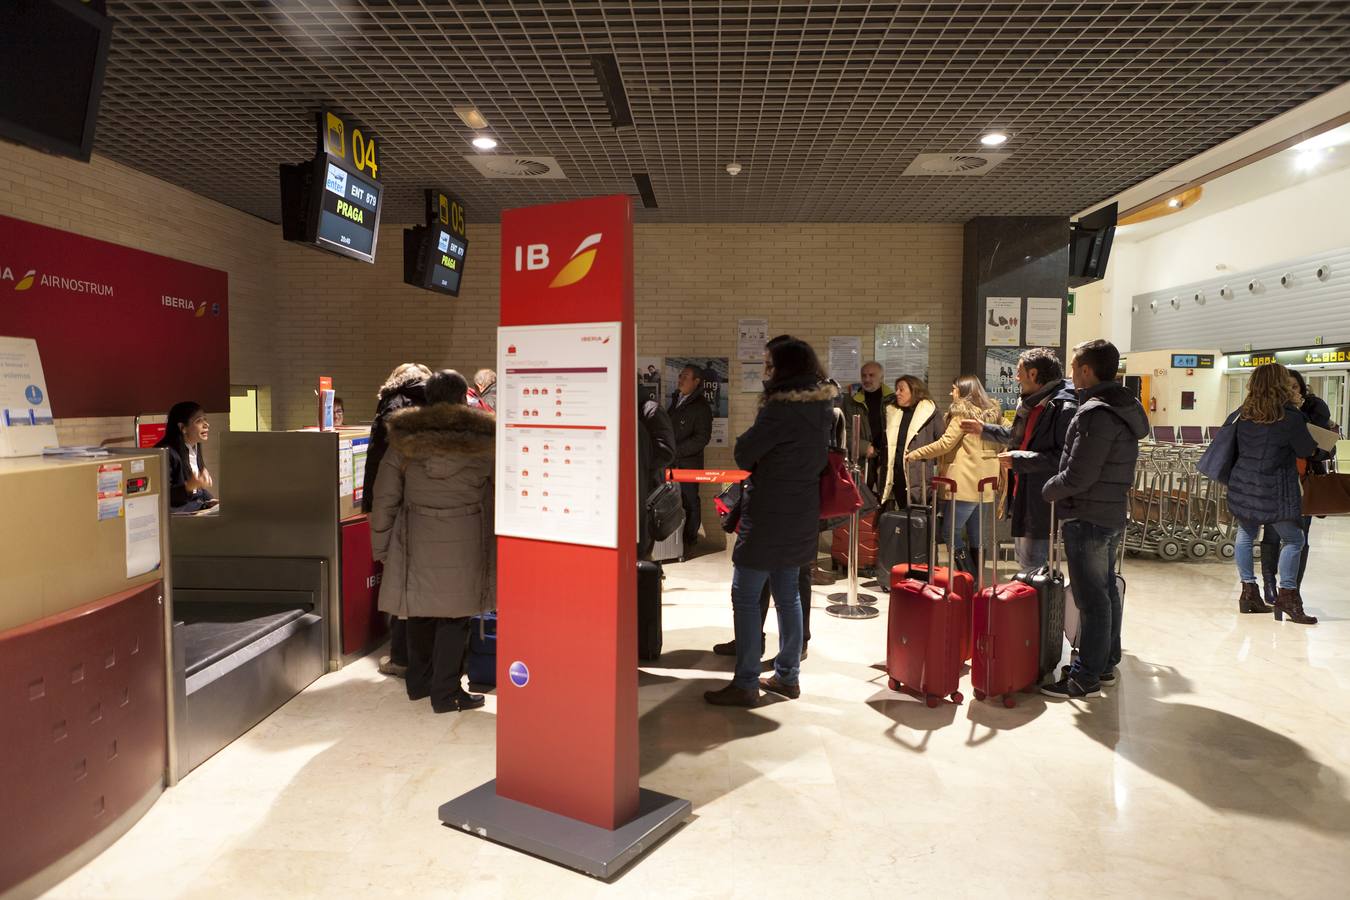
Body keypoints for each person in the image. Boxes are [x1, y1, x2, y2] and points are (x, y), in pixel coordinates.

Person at [705, 338, 834, 707]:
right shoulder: (823, 406)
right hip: (802, 512)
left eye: (770, 364)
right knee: (789, 594)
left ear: (785, 369)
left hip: (768, 513)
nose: (766, 370)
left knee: (745, 596)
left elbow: (745, 452)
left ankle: (746, 682)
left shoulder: (780, 410)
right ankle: (787, 677)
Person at [369, 369, 495, 713]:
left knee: (419, 613)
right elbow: (497, 494)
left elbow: (385, 498)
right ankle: (447, 692)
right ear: (462, 397)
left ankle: (419, 685)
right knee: (455, 618)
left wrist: (380, 546)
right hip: (466, 539)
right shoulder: (484, 440)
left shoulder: (405, 440)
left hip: (415, 538)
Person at [1039, 340, 1148, 699]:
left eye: (1074, 368)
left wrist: (1050, 489)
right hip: (1110, 511)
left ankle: (1085, 676)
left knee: (1092, 598)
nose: (1071, 374)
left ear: (1087, 370)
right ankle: (1104, 663)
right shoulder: (1125, 406)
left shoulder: (1095, 414)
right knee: (1106, 592)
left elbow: (1079, 474)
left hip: (1087, 514)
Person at [962, 347, 1077, 571]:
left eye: (1019, 372)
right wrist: (984, 429)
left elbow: (1065, 458)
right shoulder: (1033, 403)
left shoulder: (1063, 407)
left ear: (1033, 374)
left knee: (1033, 567)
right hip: (1024, 494)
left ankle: (1038, 606)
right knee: (1025, 563)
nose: (1016, 378)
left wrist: (1020, 460)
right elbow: (1020, 438)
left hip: (1042, 499)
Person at [1226, 363, 1318, 624]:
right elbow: (1305, 449)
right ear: (1279, 384)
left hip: (1244, 484)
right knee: (1294, 540)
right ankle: (1287, 596)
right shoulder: (1289, 416)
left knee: (1246, 534)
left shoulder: (1243, 414)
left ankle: (1249, 591)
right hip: (1276, 489)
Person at [364, 363, 432, 678]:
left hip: (401, 503)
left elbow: (381, 460)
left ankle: (402, 657)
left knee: (401, 580)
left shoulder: (392, 404)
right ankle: (430, 656)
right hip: (432, 501)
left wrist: (372, 505)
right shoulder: (437, 402)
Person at [904, 375, 1002, 573]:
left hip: (964, 484)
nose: (951, 393)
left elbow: (944, 444)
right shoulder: (993, 415)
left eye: (954, 389)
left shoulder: (962, 415)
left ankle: (969, 575)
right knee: (976, 535)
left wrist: (914, 453)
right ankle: (977, 581)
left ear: (964, 391)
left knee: (949, 532)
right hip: (986, 484)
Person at [1259, 369, 1332, 600]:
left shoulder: (1314, 407)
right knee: (1272, 534)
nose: (1291, 391)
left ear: (1301, 387)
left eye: (1294, 387)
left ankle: (1292, 590)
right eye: (1285, 387)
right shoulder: (1269, 409)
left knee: (1301, 537)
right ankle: (1269, 585)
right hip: (1275, 481)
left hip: (1304, 480)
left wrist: (1299, 414)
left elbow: (1323, 446)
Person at [879, 375, 944, 509]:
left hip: (920, 477)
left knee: (918, 521)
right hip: (896, 476)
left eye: (901, 389)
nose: (897, 393)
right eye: (896, 389)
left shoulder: (930, 413)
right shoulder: (892, 412)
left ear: (914, 390)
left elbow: (941, 443)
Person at [669, 364, 713, 549]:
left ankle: (689, 540)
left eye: (685, 377)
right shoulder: (677, 399)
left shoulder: (701, 407)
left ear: (696, 382)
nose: (680, 379)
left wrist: (676, 451)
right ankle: (675, 542)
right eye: (680, 375)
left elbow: (702, 438)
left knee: (690, 501)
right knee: (673, 501)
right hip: (671, 463)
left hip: (688, 464)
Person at [155, 401, 216, 512]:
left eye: (205, 419)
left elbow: (198, 491)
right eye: (199, 421)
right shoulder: (165, 453)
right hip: (177, 518)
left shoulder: (194, 446)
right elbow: (161, 496)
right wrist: (188, 486)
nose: (206, 425)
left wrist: (211, 501)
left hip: (194, 511)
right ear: (182, 427)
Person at [842, 361, 892, 495]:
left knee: (886, 500)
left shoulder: (892, 399)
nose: (867, 379)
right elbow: (845, 431)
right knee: (862, 499)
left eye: (871, 375)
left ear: (881, 378)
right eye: (864, 376)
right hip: (862, 460)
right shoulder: (850, 401)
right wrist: (865, 447)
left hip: (886, 458)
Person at [638, 397, 677, 560]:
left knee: (644, 547)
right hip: (639, 485)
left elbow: (666, 451)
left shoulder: (650, 409)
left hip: (648, 488)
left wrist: (640, 462)